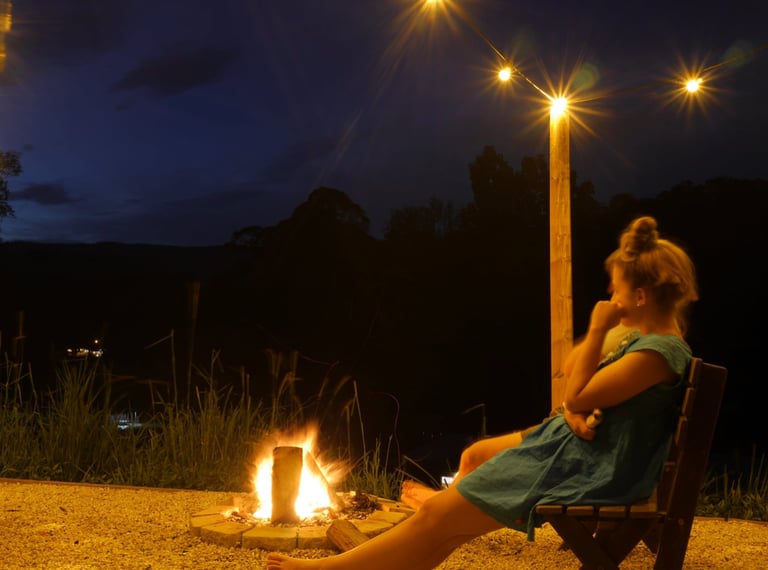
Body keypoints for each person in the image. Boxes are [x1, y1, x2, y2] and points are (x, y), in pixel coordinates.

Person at [266, 215, 699, 570]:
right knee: (443, 522)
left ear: (639, 296)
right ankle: (401, 538)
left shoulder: (655, 354)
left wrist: (599, 330)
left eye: (616, 288)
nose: (609, 296)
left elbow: (578, 395)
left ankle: (330, 569)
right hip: (578, 452)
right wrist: (574, 406)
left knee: (437, 519)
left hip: (588, 468)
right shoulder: (646, 343)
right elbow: (576, 383)